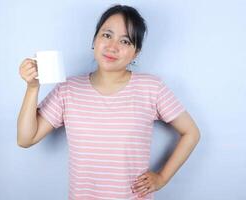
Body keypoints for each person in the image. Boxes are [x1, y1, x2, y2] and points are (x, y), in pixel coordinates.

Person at [17, 4, 200, 200]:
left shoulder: (152, 88)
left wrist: (162, 178)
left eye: (125, 41)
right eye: (106, 35)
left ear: (136, 52)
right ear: (94, 40)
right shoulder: (67, 89)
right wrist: (33, 88)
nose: (113, 46)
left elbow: (191, 132)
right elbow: (26, 139)